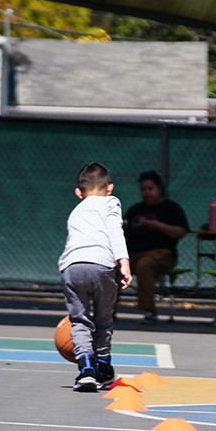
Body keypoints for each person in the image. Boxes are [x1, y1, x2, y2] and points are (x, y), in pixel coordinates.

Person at [59, 162, 133, 391]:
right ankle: (103, 365)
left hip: (71, 267)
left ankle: (86, 369)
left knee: (80, 320)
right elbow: (114, 230)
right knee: (103, 320)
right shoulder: (111, 202)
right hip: (101, 265)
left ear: (78, 193)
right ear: (109, 188)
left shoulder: (76, 211)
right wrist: (124, 262)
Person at [123, 170, 189, 324]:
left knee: (144, 266)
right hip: (133, 253)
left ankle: (149, 310)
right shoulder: (135, 210)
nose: (146, 193)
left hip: (162, 253)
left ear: (159, 189)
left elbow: (181, 231)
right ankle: (107, 309)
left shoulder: (171, 208)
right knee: (112, 267)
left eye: (150, 188)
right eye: (143, 189)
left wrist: (159, 226)